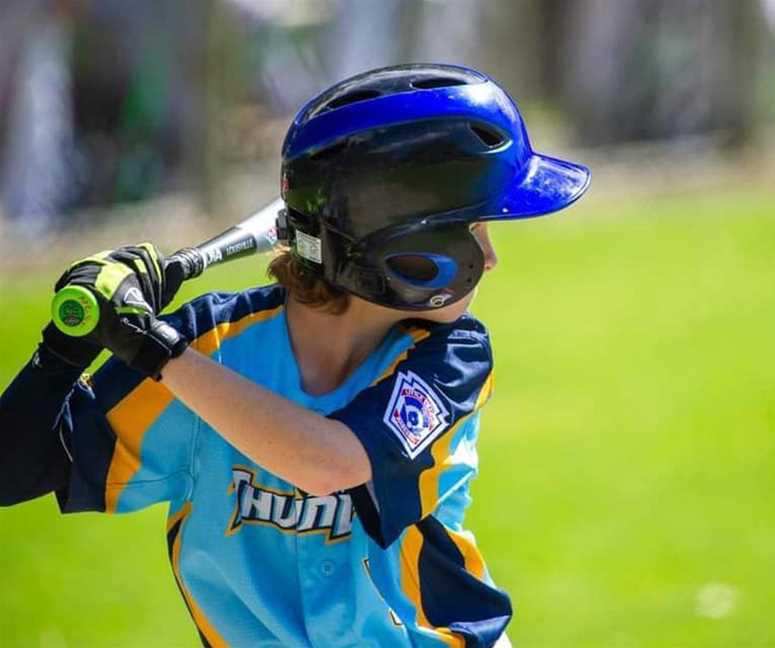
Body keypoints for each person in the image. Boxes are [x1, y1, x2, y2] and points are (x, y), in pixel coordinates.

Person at [0, 64, 590, 647]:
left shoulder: (450, 357)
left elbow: (330, 466)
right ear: (405, 244)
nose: (490, 260)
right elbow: (15, 470)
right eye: (475, 231)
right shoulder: (208, 349)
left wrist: (154, 349)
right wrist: (66, 349)